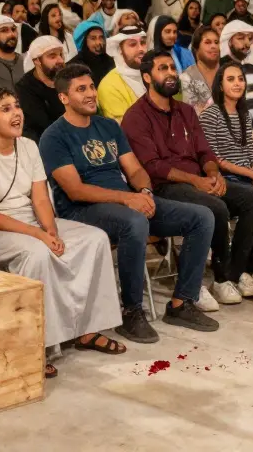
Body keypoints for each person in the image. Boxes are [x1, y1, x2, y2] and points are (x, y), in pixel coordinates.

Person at [40, 64, 218, 341]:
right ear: (63, 97)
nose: (90, 94)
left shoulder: (108, 126)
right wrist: (128, 198)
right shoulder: (54, 136)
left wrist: (145, 191)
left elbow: (134, 170)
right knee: (134, 222)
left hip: (126, 201)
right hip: (82, 211)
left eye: (91, 87)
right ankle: (131, 312)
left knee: (202, 217)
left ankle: (182, 303)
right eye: (81, 89)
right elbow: (75, 191)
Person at [0, 88, 123, 377]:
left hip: (31, 220)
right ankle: (37, 345)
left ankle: (87, 330)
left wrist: (51, 230)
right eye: (6, 109)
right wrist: (40, 237)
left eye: (17, 106)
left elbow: (39, 198)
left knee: (94, 239)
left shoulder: (28, 146)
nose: (17, 113)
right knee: (37, 253)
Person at [124, 50, 253, 306]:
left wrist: (213, 173)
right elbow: (153, 167)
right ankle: (221, 279)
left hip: (200, 181)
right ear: (146, 77)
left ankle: (233, 274)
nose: (170, 73)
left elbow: (205, 151)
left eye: (171, 67)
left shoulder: (186, 112)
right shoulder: (135, 117)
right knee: (216, 207)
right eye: (162, 69)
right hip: (165, 188)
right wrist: (196, 181)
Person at [199, 60, 253, 217]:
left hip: (248, 175)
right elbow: (216, 160)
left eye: (240, 79)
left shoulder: (245, 115)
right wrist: (251, 174)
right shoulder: (210, 114)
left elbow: (251, 154)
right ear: (220, 86)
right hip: (227, 178)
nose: (237, 83)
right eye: (230, 79)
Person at [219, 20, 253, 129]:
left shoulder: (252, 68)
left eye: (250, 38)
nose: (247, 44)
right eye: (241, 38)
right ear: (229, 42)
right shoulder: (219, 68)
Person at [17, 36, 66, 142]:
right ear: (37, 61)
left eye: (61, 54)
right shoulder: (25, 88)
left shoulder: (69, 78)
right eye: (52, 56)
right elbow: (42, 124)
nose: (60, 60)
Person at [97, 25, 148, 123]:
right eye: (133, 44)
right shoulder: (109, 85)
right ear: (120, 50)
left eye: (143, 43)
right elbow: (125, 128)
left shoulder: (153, 75)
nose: (141, 49)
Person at [180, 25, 220, 114]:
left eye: (216, 42)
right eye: (208, 42)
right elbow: (190, 113)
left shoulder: (227, 72)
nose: (214, 46)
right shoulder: (187, 77)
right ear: (196, 49)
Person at [72, 20, 114, 85]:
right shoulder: (75, 65)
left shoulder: (110, 61)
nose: (98, 42)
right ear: (84, 41)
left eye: (101, 38)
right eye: (93, 38)